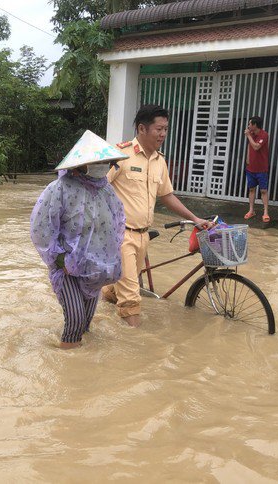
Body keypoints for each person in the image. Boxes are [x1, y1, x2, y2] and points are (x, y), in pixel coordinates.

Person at [101, 104, 215, 328]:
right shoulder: (120, 155)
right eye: (158, 129)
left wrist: (195, 218)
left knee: (121, 286)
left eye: (166, 129)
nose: (163, 134)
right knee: (132, 299)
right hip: (121, 235)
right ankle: (136, 348)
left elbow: (167, 196)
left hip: (142, 237)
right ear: (142, 129)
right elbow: (98, 188)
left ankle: (104, 299)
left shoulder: (159, 161)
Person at [30, 130, 127, 349]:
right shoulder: (59, 189)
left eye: (106, 161)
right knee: (74, 322)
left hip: (96, 268)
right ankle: (68, 374)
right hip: (68, 267)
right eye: (97, 161)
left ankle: (86, 371)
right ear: (80, 164)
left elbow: (116, 225)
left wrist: (113, 258)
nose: (103, 165)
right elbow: (41, 228)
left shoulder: (106, 191)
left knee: (85, 324)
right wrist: (59, 260)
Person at [243, 115, 270, 223]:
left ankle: (266, 212)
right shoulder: (252, 134)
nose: (248, 126)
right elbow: (250, 148)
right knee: (251, 189)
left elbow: (256, 147)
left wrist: (248, 136)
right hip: (251, 168)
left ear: (255, 125)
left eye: (250, 124)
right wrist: (247, 160)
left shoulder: (264, 134)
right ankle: (251, 210)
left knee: (263, 190)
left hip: (261, 168)